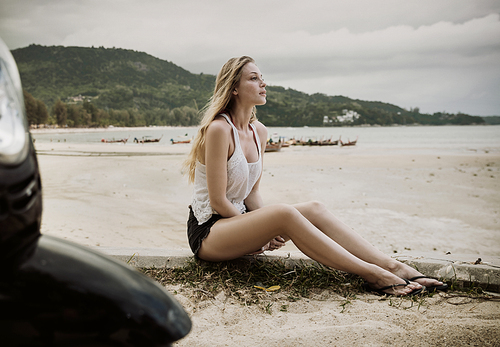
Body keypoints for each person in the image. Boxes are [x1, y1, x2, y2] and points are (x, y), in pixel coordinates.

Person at [183, 56, 447, 296]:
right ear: (234, 88)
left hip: (238, 223)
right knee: (284, 214)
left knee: (314, 208)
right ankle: (373, 275)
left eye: (262, 77)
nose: (263, 83)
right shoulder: (219, 129)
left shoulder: (259, 132)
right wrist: (263, 229)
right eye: (254, 78)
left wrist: (264, 229)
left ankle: (393, 266)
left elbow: (252, 193)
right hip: (209, 233)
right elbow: (218, 202)